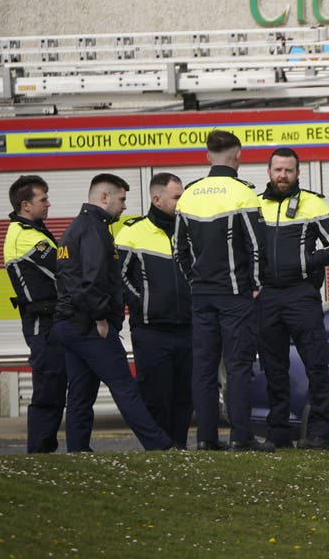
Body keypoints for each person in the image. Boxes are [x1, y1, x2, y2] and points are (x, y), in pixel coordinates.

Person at [51, 173, 172, 452]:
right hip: (88, 325)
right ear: (105, 197)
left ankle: (78, 450)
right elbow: (92, 280)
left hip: (68, 324)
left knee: (81, 393)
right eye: (122, 199)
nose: (124, 206)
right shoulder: (94, 229)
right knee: (125, 387)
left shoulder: (76, 227)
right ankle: (160, 445)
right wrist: (101, 318)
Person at [175, 129, 273, 452]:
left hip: (201, 296)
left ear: (208, 156)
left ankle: (206, 439)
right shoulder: (243, 194)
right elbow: (256, 247)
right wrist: (255, 286)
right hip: (235, 295)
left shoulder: (189, 195)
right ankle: (241, 437)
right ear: (238, 156)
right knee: (238, 366)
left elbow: (179, 251)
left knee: (203, 369)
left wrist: (195, 282)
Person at [258, 147, 329, 449]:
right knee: (274, 369)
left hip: (302, 295)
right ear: (269, 172)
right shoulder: (255, 205)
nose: (283, 175)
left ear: (298, 173)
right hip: (268, 297)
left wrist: (304, 263)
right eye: (278, 170)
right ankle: (278, 434)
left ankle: (319, 434)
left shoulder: (313, 203)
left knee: (316, 366)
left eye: (289, 170)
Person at [115, 172, 193, 449]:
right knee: (155, 395)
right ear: (156, 199)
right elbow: (118, 277)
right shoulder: (132, 232)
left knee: (185, 396)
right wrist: (142, 302)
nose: (181, 203)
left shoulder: (188, 232)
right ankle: (159, 450)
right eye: (177, 197)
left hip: (188, 329)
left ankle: (178, 448)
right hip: (151, 331)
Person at [3, 175, 67, 453]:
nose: (48, 203)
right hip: (43, 322)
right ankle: (40, 452)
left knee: (56, 385)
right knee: (48, 387)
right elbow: (63, 269)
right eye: (43, 199)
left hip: (50, 320)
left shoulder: (33, 231)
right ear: (26, 205)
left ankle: (45, 450)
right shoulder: (25, 236)